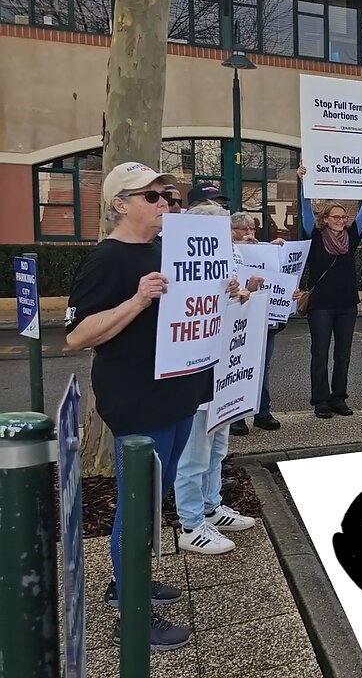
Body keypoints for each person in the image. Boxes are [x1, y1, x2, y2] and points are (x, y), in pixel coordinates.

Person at [64, 161, 224, 650]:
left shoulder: (166, 249)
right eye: (152, 197)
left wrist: (230, 292)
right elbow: (77, 336)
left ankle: (128, 583)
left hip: (178, 393)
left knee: (156, 499)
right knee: (137, 507)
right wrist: (136, 301)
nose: (165, 205)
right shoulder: (108, 259)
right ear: (121, 205)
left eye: (168, 196)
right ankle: (131, 612)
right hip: (138, 400)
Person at [174, 202, 259, 556]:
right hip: (196, 373)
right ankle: (191, 523)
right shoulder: (183, 266)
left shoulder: (222, 262)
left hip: (221, 373)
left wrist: (241, 295)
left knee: (216, 446)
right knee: (194, 452)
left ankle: (211, 507)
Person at [297, 164, 362, 418]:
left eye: (343, 217)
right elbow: (305, 210)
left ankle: (338, 398)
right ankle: (320, 400)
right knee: (320, 352)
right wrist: (303, 183)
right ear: (324, 219)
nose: (341, 221)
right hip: (321, 305)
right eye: (335, 217)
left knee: (343, 354)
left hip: (347, 305)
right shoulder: (315, 235)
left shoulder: (352, 237)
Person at [226, 211, 294, 436]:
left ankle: (262, 412)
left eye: (252, 229)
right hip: (236, 316)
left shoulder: (264, 249)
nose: (250, 234)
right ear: (231, 232)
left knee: (263, 366)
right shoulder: (226, 251)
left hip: (265, 317)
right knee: (236, 366)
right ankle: (235, 417)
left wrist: (277, 250)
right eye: (244, 230)